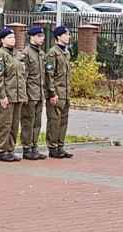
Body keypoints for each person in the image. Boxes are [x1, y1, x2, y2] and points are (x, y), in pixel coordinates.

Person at [0, 26, 27, 162]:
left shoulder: (16, 55)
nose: (13, 40)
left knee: (14, 125)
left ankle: (10, 150)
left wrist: (23, 95)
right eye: (10, 37)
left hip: (17, 96)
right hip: (6, 96)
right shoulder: (0, 55)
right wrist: (2, 96)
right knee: (5, 124)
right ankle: (2, 150)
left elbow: (21, 76)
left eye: (14, 37)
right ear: (2, 40)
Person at [45, 25, 73, 158]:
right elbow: (49, 75)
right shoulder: (52, 53)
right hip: (56, 93)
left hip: (65, 93)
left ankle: (60, 146)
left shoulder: (66, 53)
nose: (69, 37)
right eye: (66, 34)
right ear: (58, 37)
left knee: (63, 121)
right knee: (54, 121)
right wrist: (52, 93)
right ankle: (53, 147)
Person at [21, 24, 47, 160]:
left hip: (39, 93)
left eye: (42, 36)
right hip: (30, 93)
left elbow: (43, 75)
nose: (42, 38)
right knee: (27, 122)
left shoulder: (41, 54)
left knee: (37, 122)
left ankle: (34, 147)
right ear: (31, 37)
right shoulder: (26, 54)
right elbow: (23, 76)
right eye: (39, 36)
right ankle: (26, 148)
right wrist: (24, 95)